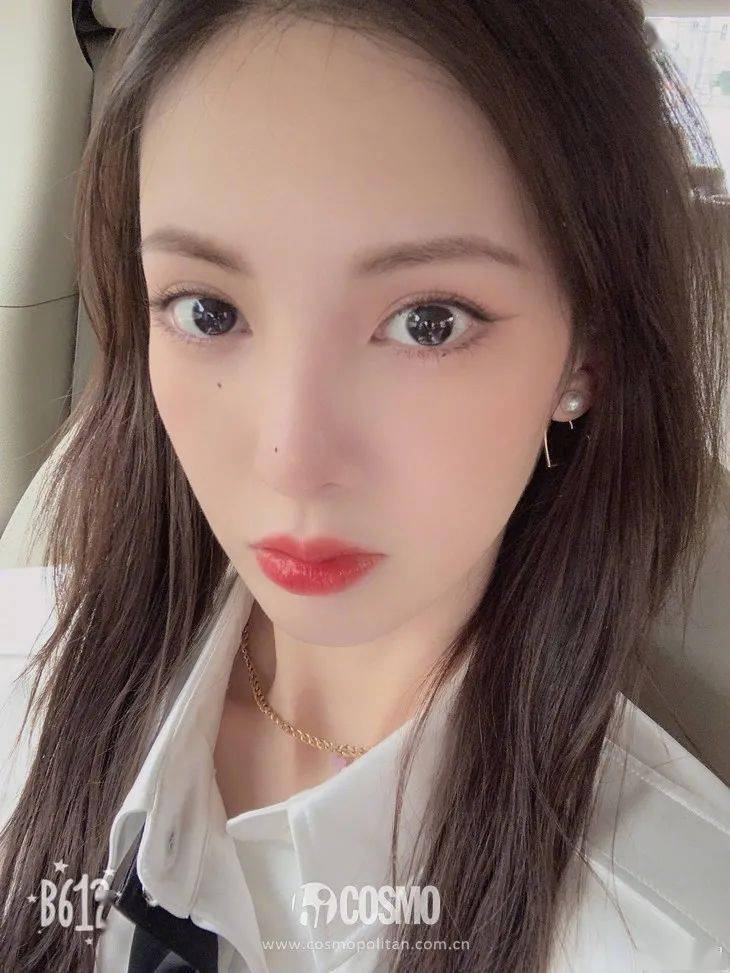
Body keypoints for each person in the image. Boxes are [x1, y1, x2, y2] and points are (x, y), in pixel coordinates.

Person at [0, 1, 728, 971]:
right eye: (207, 310)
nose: (291, 457)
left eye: (429, 322)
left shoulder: (672, 931)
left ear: (584, 353)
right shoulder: (20, 683)